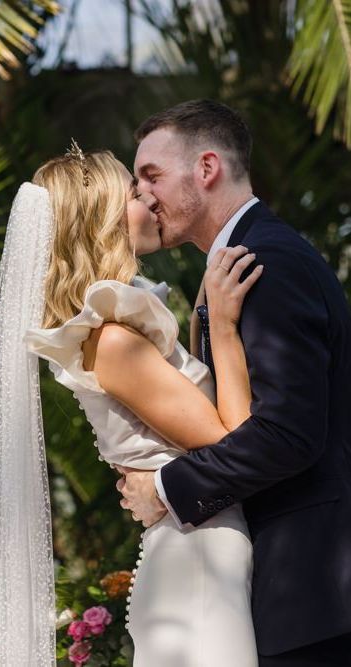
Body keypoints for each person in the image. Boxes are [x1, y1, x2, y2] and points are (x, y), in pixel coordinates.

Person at [0, 139, 261, 666]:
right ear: (103, 221)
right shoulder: (113, 341)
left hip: (198, 547)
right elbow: (236, 444)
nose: (151, 200)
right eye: (136, 192)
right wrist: (224, 328)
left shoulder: (117, 330)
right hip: (197, 558)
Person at [119, 99, 351, 666]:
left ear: (206, 168)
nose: (143, 195)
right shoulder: (238, 266)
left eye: (152, 175)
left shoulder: (266, 264)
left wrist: (167, 488)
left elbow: (288, 432)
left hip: (313, 591)